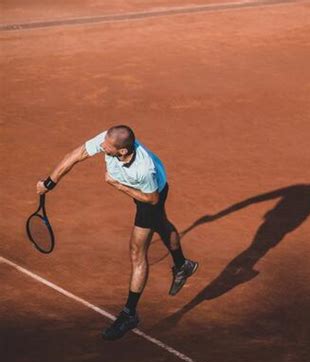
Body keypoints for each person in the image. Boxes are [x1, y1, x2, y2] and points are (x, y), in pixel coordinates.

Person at [36, 125, 198, 340]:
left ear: (122, 151)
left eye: (107, 146)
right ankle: (183, 265)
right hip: (143, 188)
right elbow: (77, 154)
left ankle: (129, 313)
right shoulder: (108, 140)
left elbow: (152, 200)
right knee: (161, 223)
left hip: (150, 194)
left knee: (136, 252)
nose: (101, 146)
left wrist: (118, 185)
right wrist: (50, 182)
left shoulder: (143, 168)